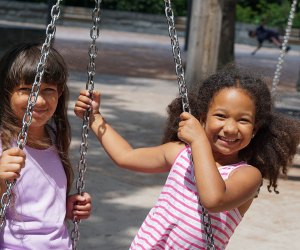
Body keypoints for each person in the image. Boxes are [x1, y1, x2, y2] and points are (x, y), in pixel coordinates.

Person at [74, 65, 300, 249]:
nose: (230, 128)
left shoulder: (247, 175)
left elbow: (213, 200)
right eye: (221, 116)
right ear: (202, 119)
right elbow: (126, 156)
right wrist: (95, 118)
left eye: (243, 120)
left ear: (255, 129)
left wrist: (199, 141)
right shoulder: (181, 153)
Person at [0, 43, 92, 249]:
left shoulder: (55, 136)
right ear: (6, 93)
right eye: (26, 89)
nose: (39, 100)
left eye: (48, 90)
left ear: (59, 94)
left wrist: (66, 207)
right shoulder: (3, 144)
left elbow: (36, 202)